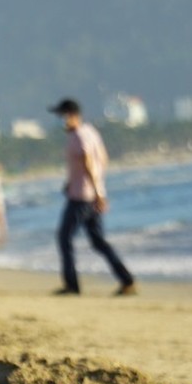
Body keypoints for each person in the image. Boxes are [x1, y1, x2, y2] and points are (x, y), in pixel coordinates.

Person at [49, 98, 135, 297]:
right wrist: (91, 186)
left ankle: (72, 285)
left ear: (71, 115)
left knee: (64, 238)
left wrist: (95, 191)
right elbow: (102, 159)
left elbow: (88, 163)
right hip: (88, 193)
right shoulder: (90, 132)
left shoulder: (78, 136)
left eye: (62, 116)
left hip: (82, 198)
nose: (60, 121)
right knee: (98, 241)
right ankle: (126, 279)